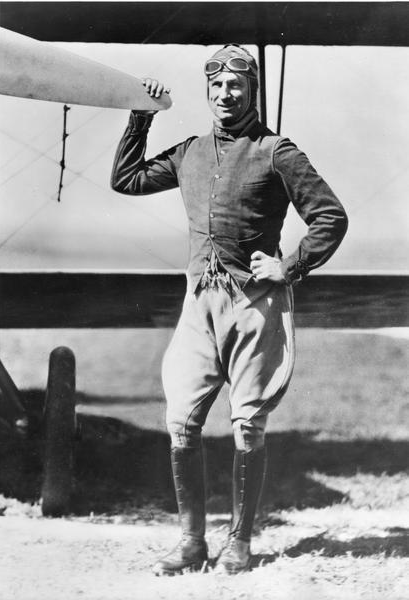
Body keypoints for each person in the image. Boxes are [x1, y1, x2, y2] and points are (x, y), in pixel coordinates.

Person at [111, 44, 348, 576]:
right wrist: (140, 116)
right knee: (181, 420)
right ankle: (192, 542)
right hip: (200, 303)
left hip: (254, 303)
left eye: (235, 86)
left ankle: (239, 543)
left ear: (251, 90)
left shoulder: (277, 152)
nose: (225, 94)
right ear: (208, 90)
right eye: (216, 86)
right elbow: (126, 179)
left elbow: (331, 217)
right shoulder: (191, 150)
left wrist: (290, 265)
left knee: (248, 424)